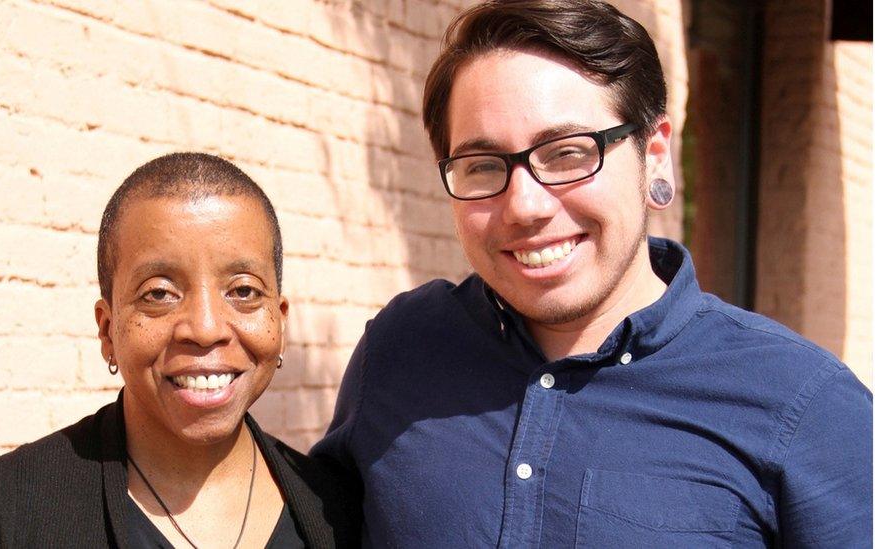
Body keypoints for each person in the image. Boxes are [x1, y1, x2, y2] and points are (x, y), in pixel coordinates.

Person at [311, 1, 873, 547]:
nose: (525, 205)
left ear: (654, 155)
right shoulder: (402, 351)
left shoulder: (803, 404)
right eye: (484, 166)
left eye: (568, 153)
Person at [0, 153, 359, 548]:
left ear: (279, 322)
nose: (205, 329)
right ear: (108, 331)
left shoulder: (341, 514)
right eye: (159, 294)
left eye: (243, 290)